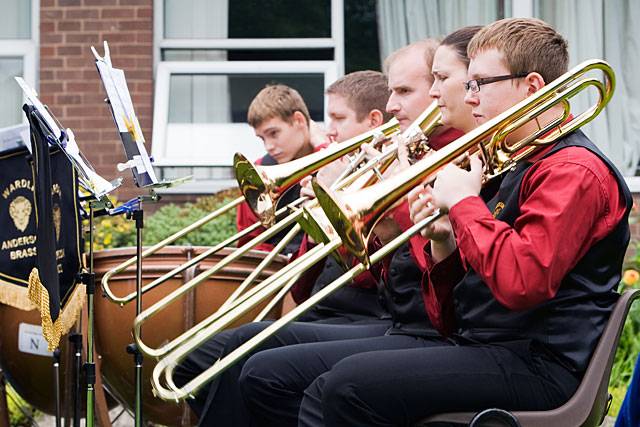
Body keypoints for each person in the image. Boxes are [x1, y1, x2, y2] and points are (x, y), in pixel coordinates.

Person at [303, 18, 630, 426]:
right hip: (491, 346)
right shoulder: (517, 159)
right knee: (324, 381)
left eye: (479, 83)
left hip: (539, 364)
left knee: (344, 386)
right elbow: (455, 311)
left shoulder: (574, 170)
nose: (469, 97)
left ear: (531, 88)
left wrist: (463, 202)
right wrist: (443, 243)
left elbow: (522, 282)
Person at [196, 32, 482, 427]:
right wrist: (340, 218)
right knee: (232, 356)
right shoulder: (416, 152)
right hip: (400, 321)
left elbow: (393, 284)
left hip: (406, 326)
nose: (394, 102)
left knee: (257, 361)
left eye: (405, 89)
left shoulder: (460, 159)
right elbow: (374, 272)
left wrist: (387, 211)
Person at [174, 71, 394, 420]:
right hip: (321, 304)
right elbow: (298, 264)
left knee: (243, 354)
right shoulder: (336, 166)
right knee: (187, 364)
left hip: (360, 313)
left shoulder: (378, 171)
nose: (330, 130)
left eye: (337, 118)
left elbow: (371, 272)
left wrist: (335, 207)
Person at [235, 84, 319, 253]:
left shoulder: (335, 158)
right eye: (262, 138)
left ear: (299, 120)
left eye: (274, 133)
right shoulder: (257, 172)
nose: (268, 146)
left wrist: (322, 146)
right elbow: (251, 243)